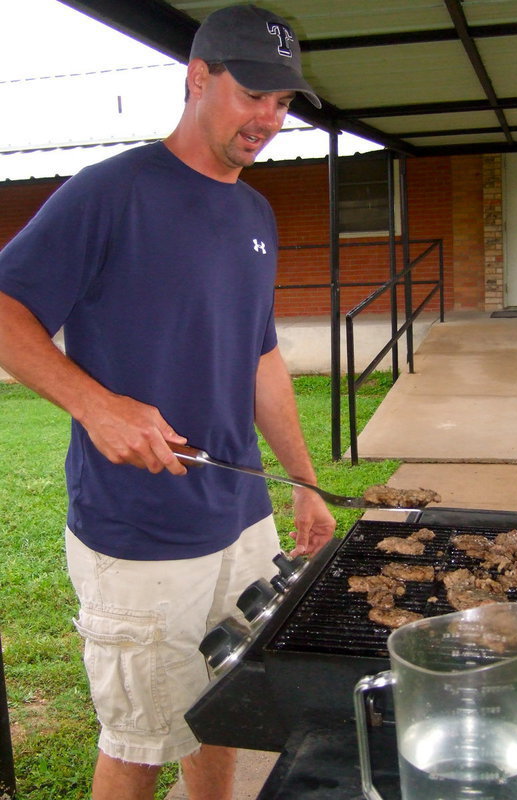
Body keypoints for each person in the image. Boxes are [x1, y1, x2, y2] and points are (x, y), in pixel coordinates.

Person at [0, 4, 335, 798]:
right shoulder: (112, 192)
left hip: (242, 517)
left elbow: (261, 359)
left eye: (283, 102)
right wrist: (95, 404)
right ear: (198, 76)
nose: (269, 118)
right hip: (143, 531)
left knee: (222, 710)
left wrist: (305, 480)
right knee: (140, 740)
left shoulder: (254, 212)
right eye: (254, 93)